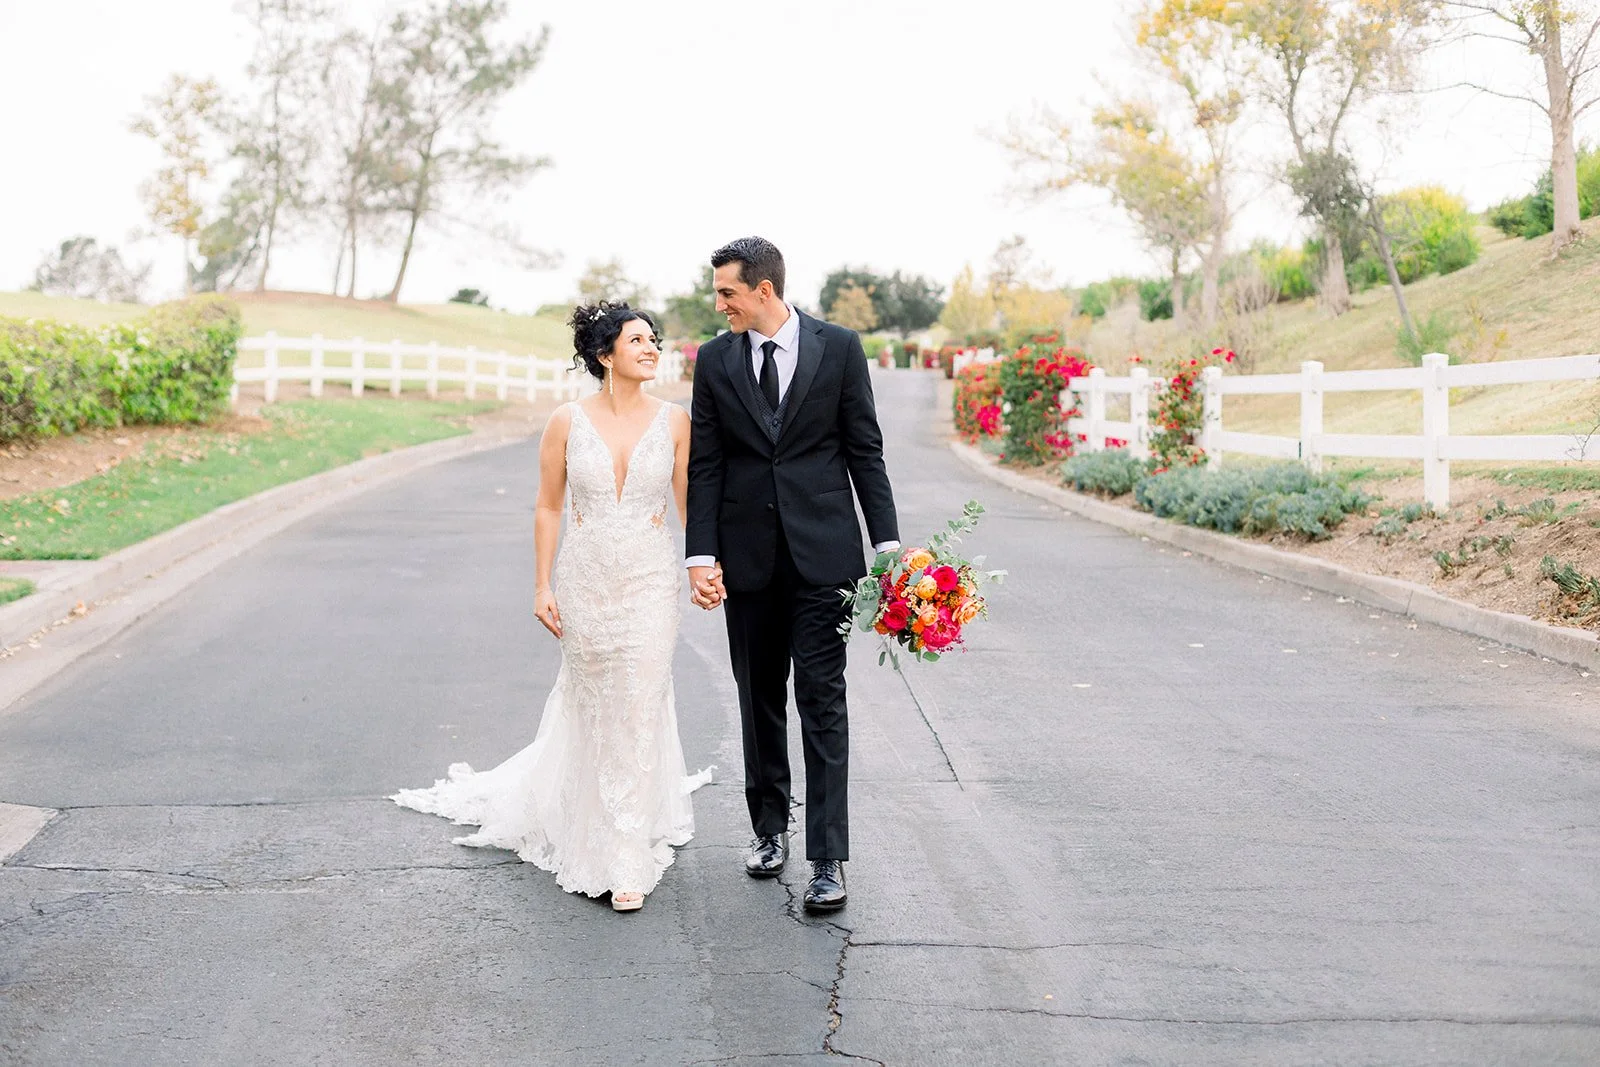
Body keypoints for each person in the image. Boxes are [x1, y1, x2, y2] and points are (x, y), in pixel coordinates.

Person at [392, 302, 712, 913]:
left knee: (638, 702)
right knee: (595, 707)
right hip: (586, 581)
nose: (651, 348)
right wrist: (541, 586)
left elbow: (689, 503)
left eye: (653, 339)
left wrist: (706, 563)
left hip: (649, 581)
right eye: (637, 340)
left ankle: (623, 854)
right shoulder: (567, 421)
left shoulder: (675, 421)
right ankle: (586, 819)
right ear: (605, 355)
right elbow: (547, 506)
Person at [685, 237, 899, 913]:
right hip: (747, 560)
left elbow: (864, 449)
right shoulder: (716, 360)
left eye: (727, 293)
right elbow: (707, 463)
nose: (719, 305)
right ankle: (769, 829)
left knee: (822, 699)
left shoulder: (840, 349)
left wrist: (888, 543)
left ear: (764, 290)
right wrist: (700, 554)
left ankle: (828, 857)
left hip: (823, 558)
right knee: (758, 698)